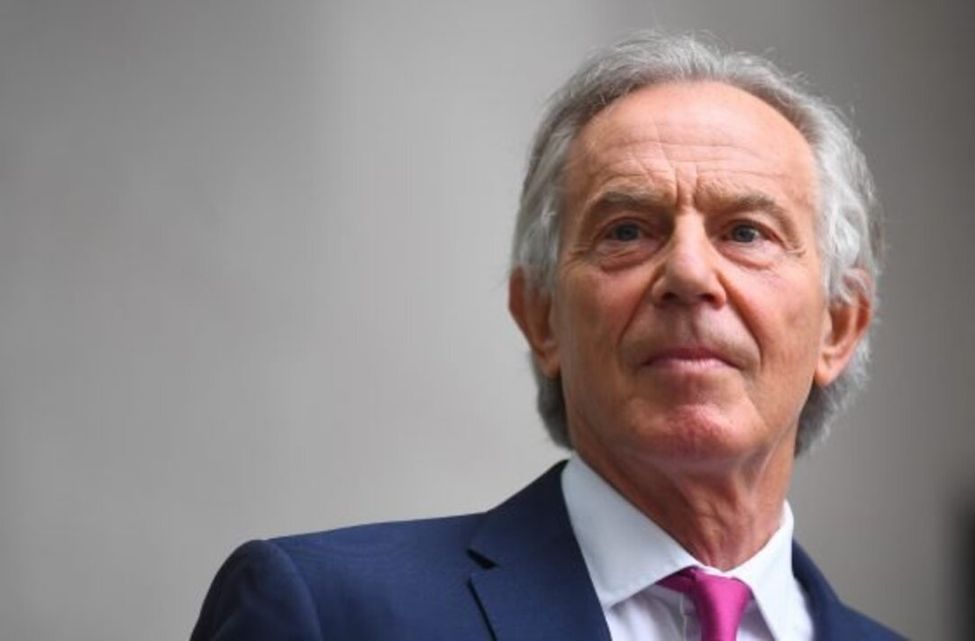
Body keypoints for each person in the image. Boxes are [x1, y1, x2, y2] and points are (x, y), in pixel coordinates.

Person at [191, 31, 901, 640]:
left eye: (746, 233)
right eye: (627, 231)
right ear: (540, 317)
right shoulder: (326, 613)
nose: (688, 272)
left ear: (839, 325)